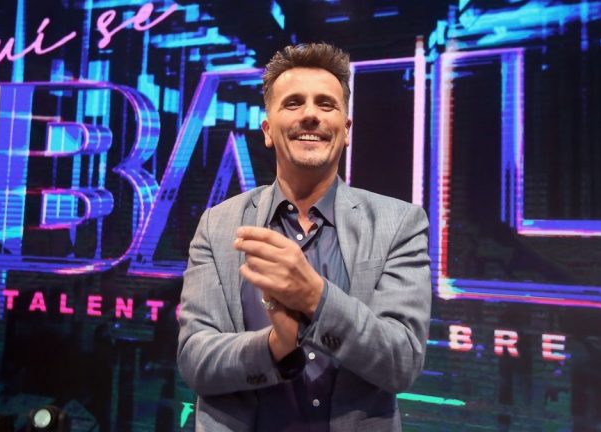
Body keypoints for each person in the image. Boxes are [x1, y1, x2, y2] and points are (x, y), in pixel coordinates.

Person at [177, 42, 431, 431]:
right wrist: (276, 346)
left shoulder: (399, 223)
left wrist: (315, 298)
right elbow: (196, 360)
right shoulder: (218, 224)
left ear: (346, 131)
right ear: (267, 130)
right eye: (293, 103)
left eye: (326, 105)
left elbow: (402, 361)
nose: (310, 114)